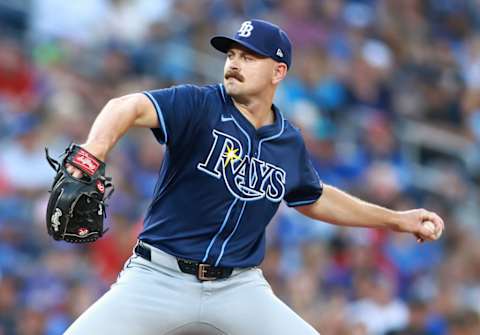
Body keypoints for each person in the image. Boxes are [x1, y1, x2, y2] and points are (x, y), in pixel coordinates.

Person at [63, 19, 444, 335]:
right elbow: (125, 106)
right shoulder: (199, 104)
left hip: (237, 287)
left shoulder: (288, 141)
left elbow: (313, 197)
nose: (234, 63)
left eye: (248, 57)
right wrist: (88, 157)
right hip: (158, 277)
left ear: (278, 72)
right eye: (231, 54)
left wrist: (397, 219)